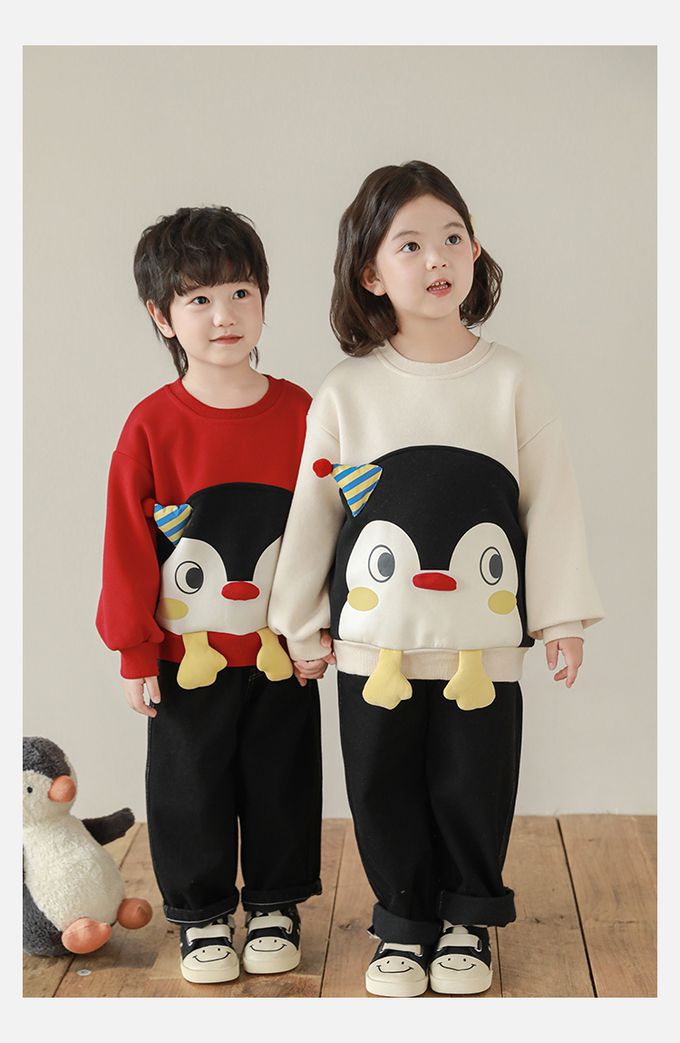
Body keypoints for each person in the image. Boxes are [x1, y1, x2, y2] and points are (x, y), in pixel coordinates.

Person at [269, 161, 603, 997]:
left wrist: (560, 618)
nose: (437, 257)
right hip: (371, 647)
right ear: (371, 273)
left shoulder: (513, 381)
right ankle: (402, 921)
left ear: (476, 251)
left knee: (473, 783)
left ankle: (466, 918)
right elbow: (315, 512)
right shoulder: (347, 391)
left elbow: (551, 503)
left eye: (453, 237)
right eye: (410, 244)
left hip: (479, 648)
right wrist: (300, 621)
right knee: (380, 785)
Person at [96, 206, 329, 984]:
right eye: (198, 298)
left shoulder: (302, 413)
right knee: (187, 786)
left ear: (263, 297)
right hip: (184, 658)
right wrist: (135, 650)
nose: (223, 314)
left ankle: (274, 905)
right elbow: (128, 544)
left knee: (281, 780)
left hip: (277, 654)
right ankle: (199, 915)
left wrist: (316, 628)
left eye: (239, 292)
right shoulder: (151, 426)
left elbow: (329, 527)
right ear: (161, 315)